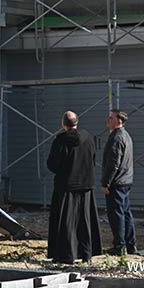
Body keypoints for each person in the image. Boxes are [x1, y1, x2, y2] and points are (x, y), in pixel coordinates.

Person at [47, 110, 102, 263]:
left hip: (67, 185)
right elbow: (92, 159)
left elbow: (52, 164)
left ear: (63, 124)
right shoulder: (89, 138)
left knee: (66, 221)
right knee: (85, 221)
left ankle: (66, 255)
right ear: (77, 122)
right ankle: (86, 255)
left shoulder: (61, 140)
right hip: (86, 184)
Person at [101, 109, 136, 255]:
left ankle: (120, 246)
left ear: (119, 121)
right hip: (125, 180)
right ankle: (130, 244)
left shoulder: (116, 138)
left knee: (117, 216)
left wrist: (106, 183)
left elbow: (113, 164)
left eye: (111, 118)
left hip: (117, 182)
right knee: (126, 213)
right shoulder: (126, 135)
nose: (107, 120)